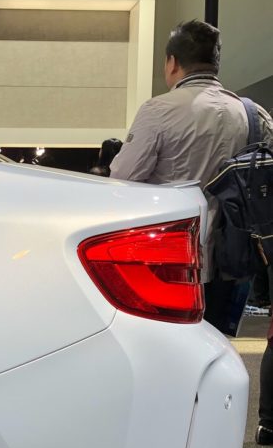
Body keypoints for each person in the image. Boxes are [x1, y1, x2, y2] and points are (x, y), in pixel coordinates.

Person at [109, 19, 273, 327]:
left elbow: (122, 181)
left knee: (170, 341)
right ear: (215, 64)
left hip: (173, 260)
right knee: (218, 341)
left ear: (172, 63)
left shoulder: (158, 110)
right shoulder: (255, 114)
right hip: (235, 259)